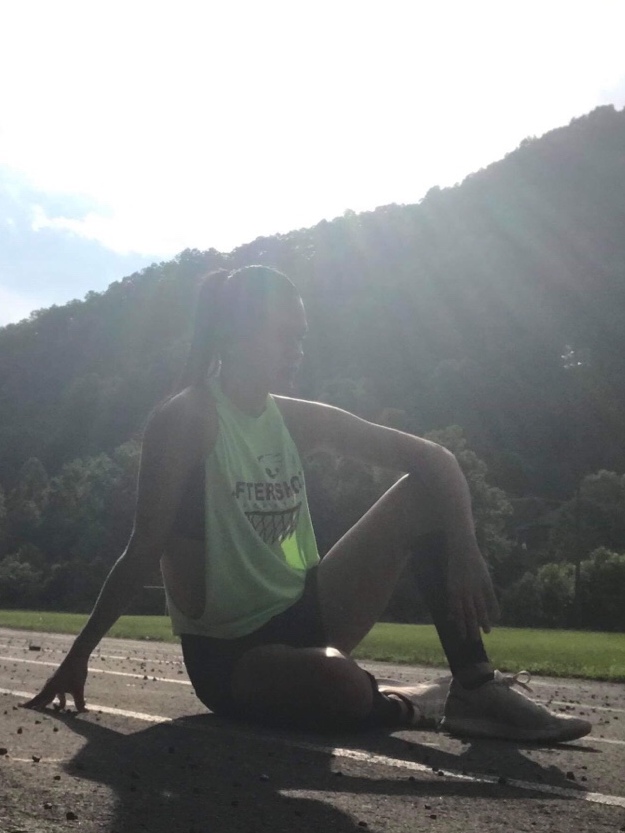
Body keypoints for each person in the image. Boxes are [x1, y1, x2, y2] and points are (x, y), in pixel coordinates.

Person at [25, 265, 590, 742]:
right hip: (232, 656)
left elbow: (434, 459)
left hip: (309, 612)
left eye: (301, 337)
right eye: (282, 336)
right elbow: (144, 546)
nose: (297, 352)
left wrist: (464, 547)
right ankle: (408, 704)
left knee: (425, 493)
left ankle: (474, 686)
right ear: (233, 335)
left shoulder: (295, 418)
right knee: (339, 683)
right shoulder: (185, 420)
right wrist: (78, 656)